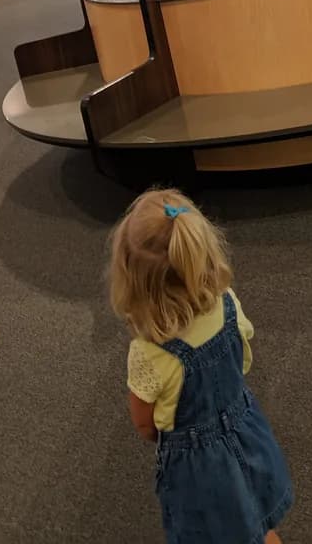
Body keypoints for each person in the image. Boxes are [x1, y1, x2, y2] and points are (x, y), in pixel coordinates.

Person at [109, 188, 292, 544]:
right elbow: (241, 361)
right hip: (248, 434)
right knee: (255, 512)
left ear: (133, 281)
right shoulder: (227, 303)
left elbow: (144, 424)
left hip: (199, 471)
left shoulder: (150, 353)